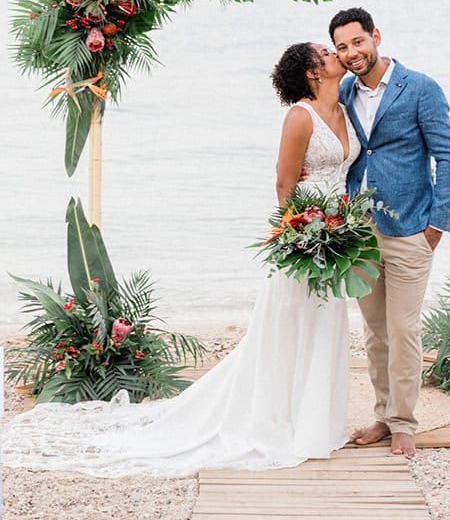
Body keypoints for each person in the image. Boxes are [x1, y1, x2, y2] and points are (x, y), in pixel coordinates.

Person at [2, 43, 360, 478]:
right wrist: (300, 236)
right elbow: (284, 185)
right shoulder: (300, 116)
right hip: (305, 236)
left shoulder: (345, 108)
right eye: (326, 50)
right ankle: (278, 419)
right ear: (311, 71)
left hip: (340, 232)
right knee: (291, 323)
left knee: (327, 321)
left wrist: (345, 227)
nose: (336, 52)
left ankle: (317, 422)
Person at [329, 7, 450, 459]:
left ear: (375, 37)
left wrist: (436, 225)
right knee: (374, 332)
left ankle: (405, 422)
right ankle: (384, 415)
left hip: (410, 230)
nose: (352, 53)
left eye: (357, 42)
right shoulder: (344, 91)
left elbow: (449, 157)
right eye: (342, 47)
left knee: (403, 331)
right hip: (360, 231)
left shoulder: (420, 88)